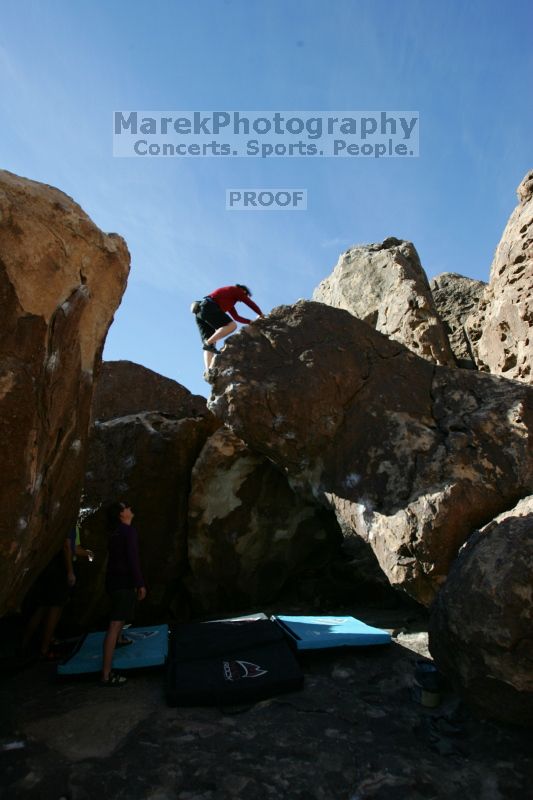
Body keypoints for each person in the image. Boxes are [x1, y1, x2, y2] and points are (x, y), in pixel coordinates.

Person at [21, 526, 94, 659]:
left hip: (49, 566)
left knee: (42, 607)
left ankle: (24, 645)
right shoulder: (70, 521)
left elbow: (73, 548)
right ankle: (45, 649)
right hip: (60, 569)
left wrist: (87, 553)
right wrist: (70, 571)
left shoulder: (62, 521)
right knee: (55, 609)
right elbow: (68, 546)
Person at [101, 501, 146, 686]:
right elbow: (133, 558)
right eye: (126, 507)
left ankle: (119, 639)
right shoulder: (128, 532)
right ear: (122, 514)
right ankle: (106, 674)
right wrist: (140, 583)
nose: (130, 508)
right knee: (116, 622)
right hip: (123, 581)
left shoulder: (114, 533)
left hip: (113, 581)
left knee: (118, 619)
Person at [192, 284, 264, 371]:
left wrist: (250, 322)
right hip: (208, 306)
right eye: (245, 295)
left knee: (211, 340)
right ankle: (208, 343)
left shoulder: (229, 299)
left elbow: (236, 317)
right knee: (232, 326)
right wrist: (261, 314)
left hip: (200, 312)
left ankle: (209, 371)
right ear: (243, 291)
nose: (241, 300)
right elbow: (249, 303)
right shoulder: (237, 290)